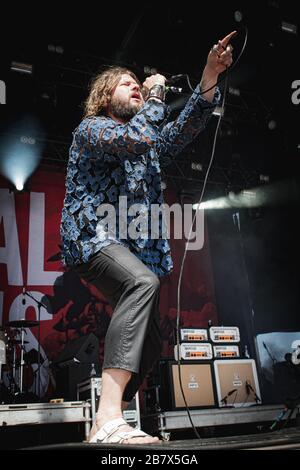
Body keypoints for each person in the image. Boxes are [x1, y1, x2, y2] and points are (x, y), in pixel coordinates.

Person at [60, 31, 235, 444]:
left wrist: (210, 73)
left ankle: (113, 420)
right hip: (91, 236)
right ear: (105, 97)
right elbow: (136, 139)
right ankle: (106, 417)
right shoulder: (94, 129)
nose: (137, 86)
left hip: (128, 245)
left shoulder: (147, 140)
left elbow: (183, 129)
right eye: (128, 84)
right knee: (142, 283)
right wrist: (155, 98)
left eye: (140, 84)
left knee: (152, 341)